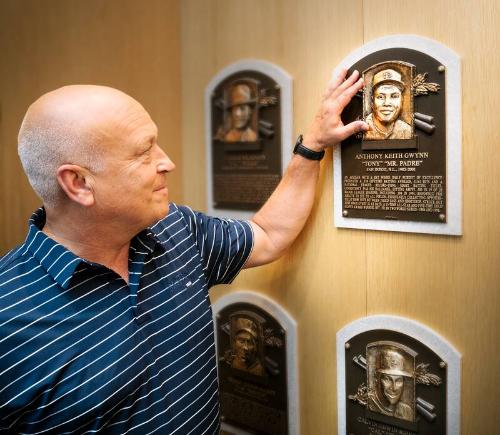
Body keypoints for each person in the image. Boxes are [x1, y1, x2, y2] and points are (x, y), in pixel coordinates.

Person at [0, 68, 367, 433]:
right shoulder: (9, 315)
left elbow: (268, 235)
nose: (167, 162)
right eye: (144, 153)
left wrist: (312, 145)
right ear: (78, 183)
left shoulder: (174, 229)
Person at [364, 68, 412, 140]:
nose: (387, 103)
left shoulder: (407, 131)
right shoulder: (362, 129)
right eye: (380, 97)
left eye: (394, 96)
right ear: (372, 101)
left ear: (401, 100)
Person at [368, 348, 415, 421]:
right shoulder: (369, 403)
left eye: (398, 380)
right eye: (387, 379)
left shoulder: (407, 411)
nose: (394, 388)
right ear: (377, 379)